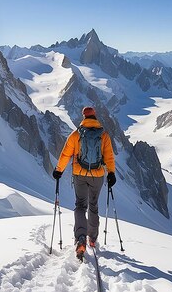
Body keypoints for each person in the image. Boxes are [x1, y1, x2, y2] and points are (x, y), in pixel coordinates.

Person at [53, 106, 116, 259]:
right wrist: (111, 173)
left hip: (79, 174)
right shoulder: (104, 135)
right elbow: (109, 157)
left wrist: (58, 170)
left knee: (80, 205)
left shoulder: (76, 134)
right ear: (95, 116)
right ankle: (92, 239)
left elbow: (66, 154)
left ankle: (81, 238)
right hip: (97, 176)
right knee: (93, 205)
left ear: (83, 117)